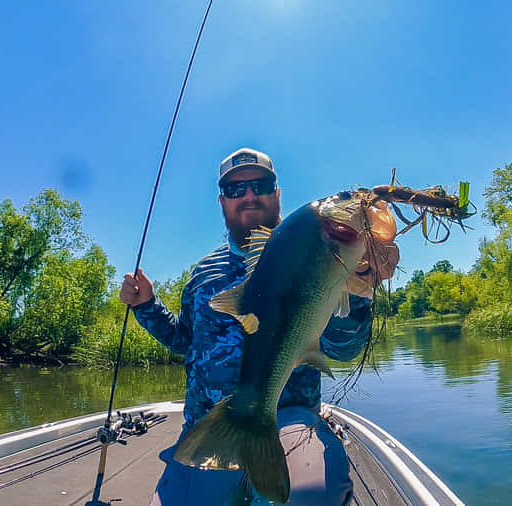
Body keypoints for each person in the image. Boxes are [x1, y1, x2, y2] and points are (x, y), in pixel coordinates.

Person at [119, 147, 398, 505]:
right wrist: (146, 307)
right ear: (222, 201)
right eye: (236, 190)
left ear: (277, 194)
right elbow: (183, 340)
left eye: (260, 185)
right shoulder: (204, 274)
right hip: (211, 425)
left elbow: (344, 350)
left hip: (290, 419)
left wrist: (359, 289)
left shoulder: (320, 250)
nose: (248, 195)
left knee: (310, 497)